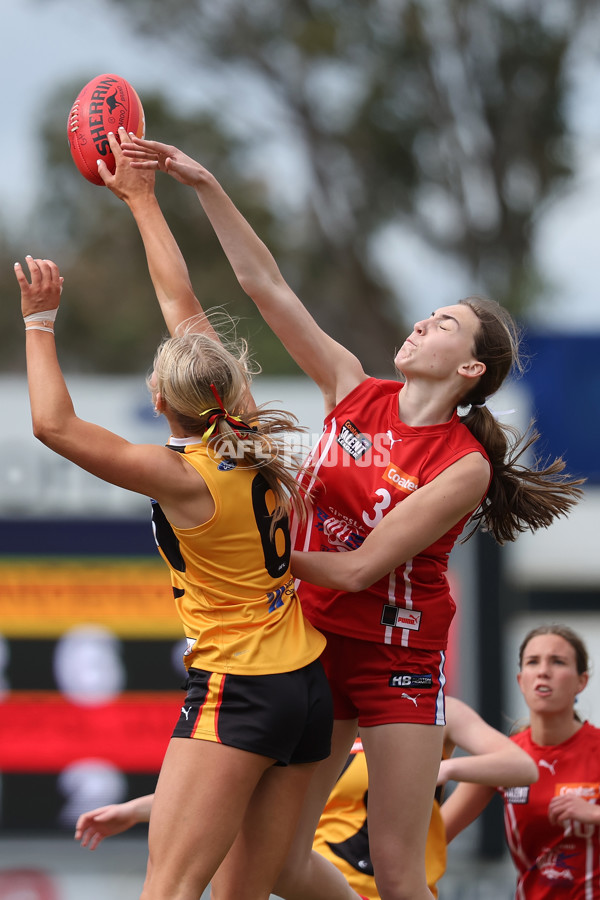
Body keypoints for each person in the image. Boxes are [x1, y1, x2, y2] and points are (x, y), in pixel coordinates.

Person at [110, 132, 584, 900]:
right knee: (281, 865)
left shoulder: (463, 463)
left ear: (469, 369)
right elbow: (265, 285)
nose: (421, 324)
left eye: (443, 324)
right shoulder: (351, 387)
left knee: (397, 872)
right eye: (427, 315)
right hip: (313, 644)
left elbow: (363, 567)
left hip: (397, 658)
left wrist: (258, 555)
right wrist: (206, 186)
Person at [15, 254, 334, 900]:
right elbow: (182, 304)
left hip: (239, 685)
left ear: (158, 400)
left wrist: (38, 322)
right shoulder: (250, 436)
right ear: (227, 389)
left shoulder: (185, 477)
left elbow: (53, 425)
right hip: (304, 685)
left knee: (168, 890)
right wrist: (143, 204)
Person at [74, 695, 538, 899]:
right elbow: (235, 797)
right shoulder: (319, 724)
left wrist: (445, 770)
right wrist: (134, 810)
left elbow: (519, 766)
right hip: (315, 890)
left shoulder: (428, 713)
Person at [442, 625, 600, 898]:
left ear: (581, 681)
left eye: (558, 662)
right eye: (533, 662)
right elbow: (434, 837)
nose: (543, 671)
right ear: (521, 680)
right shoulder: (507, 759)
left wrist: (595, 815)